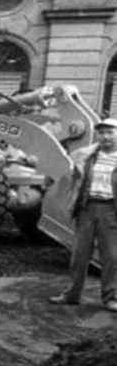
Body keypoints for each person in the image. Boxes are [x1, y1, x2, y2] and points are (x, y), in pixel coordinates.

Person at [50, 117, 117, 310]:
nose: (105, 137)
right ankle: (72, 295)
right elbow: (70, 173)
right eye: (102, 133)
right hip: (86, 209)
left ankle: (111, 298)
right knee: (79, 255)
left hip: (111, 211)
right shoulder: (86, 156)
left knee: (112, 257)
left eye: (110, 132)